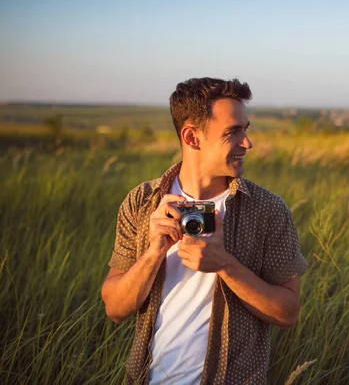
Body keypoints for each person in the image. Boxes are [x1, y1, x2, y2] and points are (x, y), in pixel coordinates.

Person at [101, 78, 309, 385]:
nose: (247, 143)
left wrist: (226, 265)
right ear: (191, 137)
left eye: (245, 129)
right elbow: (115, 308)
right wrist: (154, 252)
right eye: (232, 132)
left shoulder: (267, 209)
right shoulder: (143, 202)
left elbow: (288, 313)